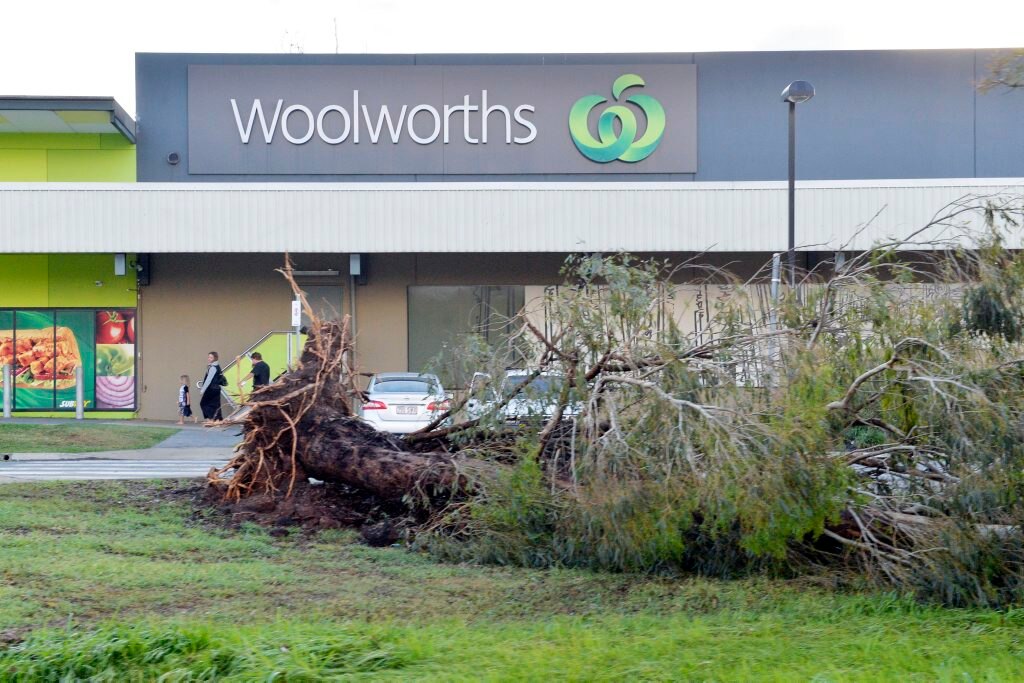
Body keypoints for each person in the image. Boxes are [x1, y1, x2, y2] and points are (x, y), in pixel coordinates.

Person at [198, 351, 225, 422]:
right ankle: (217, 420)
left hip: (211, 389)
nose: (209, 358)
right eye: (208, 357)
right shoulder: (217, 366)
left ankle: (210, 419)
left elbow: (208, 380)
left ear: (215, 358)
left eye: (211, 357)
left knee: (203, 403)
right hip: (216, 389)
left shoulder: (213, 367)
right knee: (216, 405)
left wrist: (202, 390)